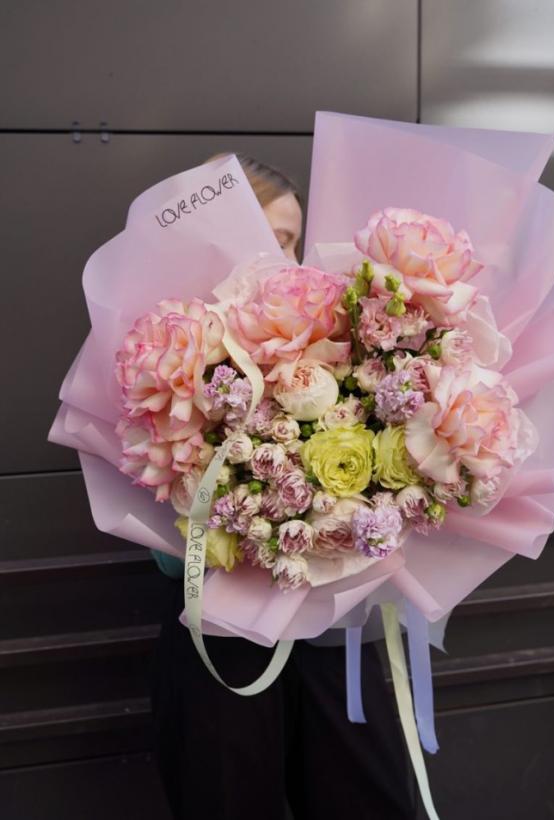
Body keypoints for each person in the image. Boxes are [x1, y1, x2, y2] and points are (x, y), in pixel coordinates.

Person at [148, 153, 417, 820]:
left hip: (330, 628)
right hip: (220, 636)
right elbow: (162, 549)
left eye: (291, 240)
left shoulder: (341, 341)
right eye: (267, 235)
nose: (281, 256)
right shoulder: (169, 349)